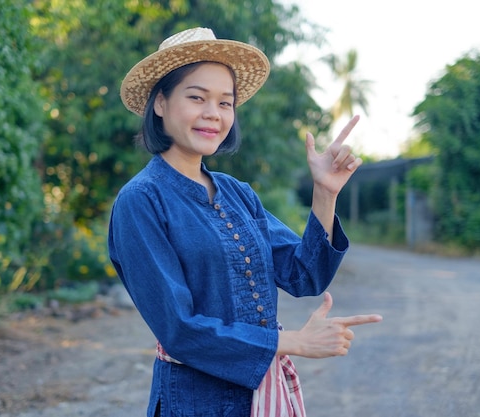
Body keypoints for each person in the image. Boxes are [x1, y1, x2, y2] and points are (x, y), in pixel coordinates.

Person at [108, 27, 383, 417]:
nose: (213, 114)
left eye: (225, 102)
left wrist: (325, 193)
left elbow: (304, 275)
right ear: (160, 103)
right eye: (197, 97)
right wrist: (294, 342)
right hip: (194, 402)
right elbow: (179, 329)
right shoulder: (141, 201)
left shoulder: (238, 193)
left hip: (260, 398)